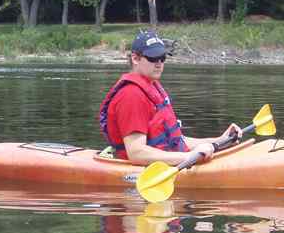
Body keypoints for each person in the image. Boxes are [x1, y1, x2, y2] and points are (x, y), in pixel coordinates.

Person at [99, 29, 239, 166]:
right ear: (135, 58)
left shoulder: (152, 88)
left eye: (162, 57)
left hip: (168, 163)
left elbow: (177, 141)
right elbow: (136, 153)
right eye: (153, 58)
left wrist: (221, 140)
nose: (159, 63)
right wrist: (188, 156)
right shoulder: (131, 96)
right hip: (140, 172)